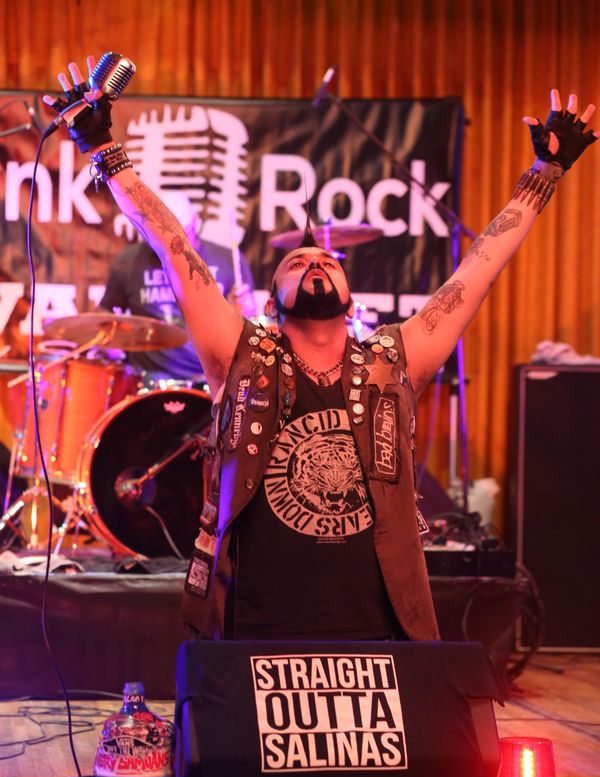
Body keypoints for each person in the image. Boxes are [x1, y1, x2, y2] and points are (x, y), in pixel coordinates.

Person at [44, 59, 598, 642]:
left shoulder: (394, 356)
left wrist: (545, 173)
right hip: (257, 621)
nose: (314, 263)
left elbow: (479, 268)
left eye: (326, 261)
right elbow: (172, 245)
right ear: (271, 301)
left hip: (377, 625)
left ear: (350, 297)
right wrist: (102, 148)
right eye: (297, 263)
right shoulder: (240, 353)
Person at [98, 189, 255, 384]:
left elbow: (249, 327)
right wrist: (108, 338)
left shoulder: (227, 260)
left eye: (181, 236)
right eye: (164, 237)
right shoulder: (129, 261)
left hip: (212, 379)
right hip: (149, 379)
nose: (174, 247)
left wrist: (240, 316)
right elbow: (104, 316)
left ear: (195, 222)